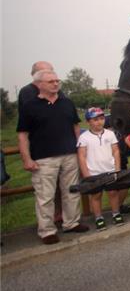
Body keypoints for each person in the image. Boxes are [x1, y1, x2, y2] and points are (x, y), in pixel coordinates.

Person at [16, 70, 89, 244]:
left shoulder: (67, 103)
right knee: (45, 196)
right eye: (51, 81)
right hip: (44, 159)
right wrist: (27, 158)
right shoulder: (30, 106)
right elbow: (22, 135)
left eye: (57, 81)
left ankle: (71, 223)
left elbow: (76, 128)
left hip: (69, 155)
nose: (55, 84)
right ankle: (47, 231)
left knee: (71, 192)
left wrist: (80, 151)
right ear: (39, 84)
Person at [76, 107, 123, 230]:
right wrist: (86, 174)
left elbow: (116, 151)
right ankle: (98, 217)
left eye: (102, 119)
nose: (99, 122)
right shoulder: (84, 137)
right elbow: (81, 156)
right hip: (94, 172)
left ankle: (116, 213)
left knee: (113, 193)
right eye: (95, 119)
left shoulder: (110, 133)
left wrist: (117, 168)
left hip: (110, 170)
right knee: (96, 196)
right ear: (88, 122)